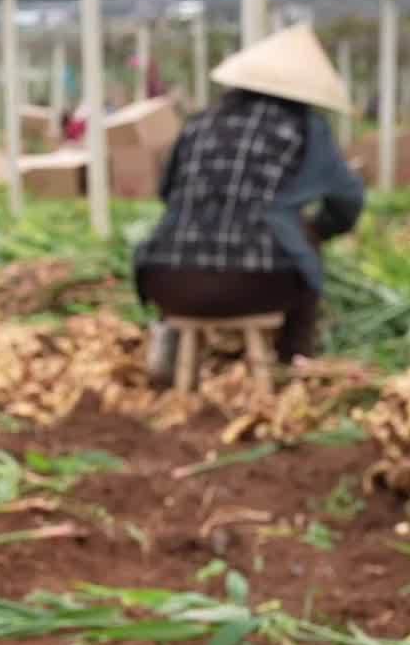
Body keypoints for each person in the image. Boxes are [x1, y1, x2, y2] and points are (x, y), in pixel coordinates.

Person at [133, 23, 363, 383]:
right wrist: (319, 230)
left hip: (167, 283)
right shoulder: (303, 127)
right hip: (258, 285)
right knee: (302, 241)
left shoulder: (198, 124)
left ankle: (170, 346)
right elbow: (347, 200)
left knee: (185, 230)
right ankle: (293, 359)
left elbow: (167, 194)